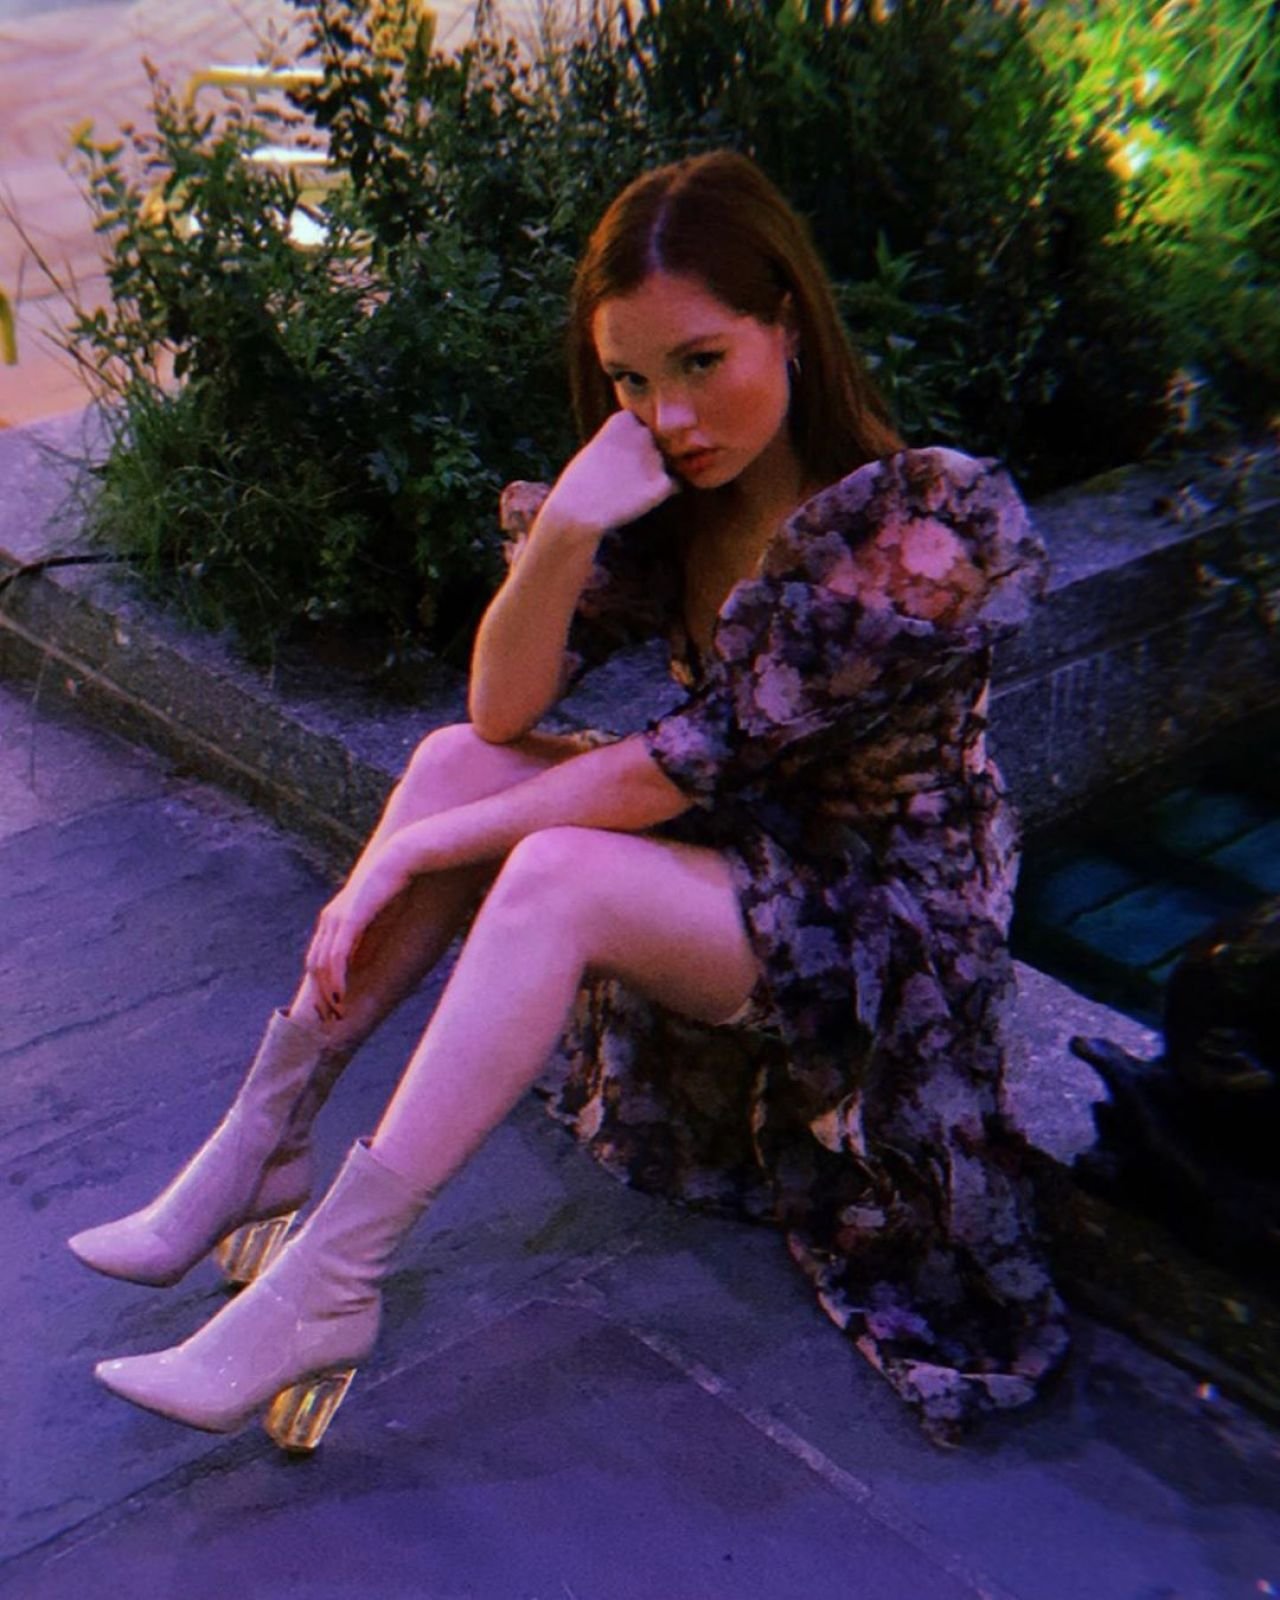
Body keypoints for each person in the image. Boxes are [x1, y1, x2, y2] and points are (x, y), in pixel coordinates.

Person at [69, 150, 1066, 1449]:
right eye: (632, 381)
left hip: (885, 926)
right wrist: (566, 530)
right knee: (452, 763)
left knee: (547, 869)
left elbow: (680, 764)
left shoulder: (910, 530)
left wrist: (413, 854)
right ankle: (267, 1137)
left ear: (788, 323)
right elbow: (497, 712)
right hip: (746, 856)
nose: (671, 415)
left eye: (701, 361)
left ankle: (334, 1283)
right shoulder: (675, 493)